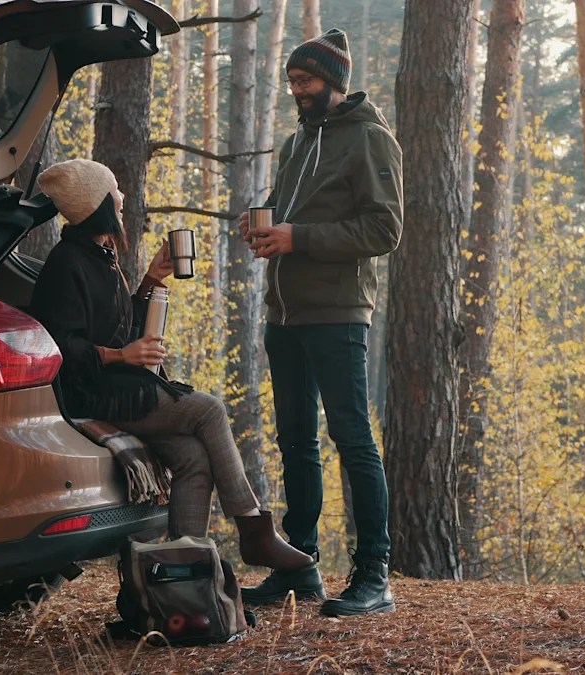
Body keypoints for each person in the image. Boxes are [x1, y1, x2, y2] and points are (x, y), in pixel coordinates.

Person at [28, 158, 312, 573]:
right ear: (97, 203)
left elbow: (117, 327)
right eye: (114, 190)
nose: (123, 196)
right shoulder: (66, 263)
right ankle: (253, 529)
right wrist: (122, 356)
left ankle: (186, 572)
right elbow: (61, 346)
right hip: (93, 395)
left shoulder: (99, 255)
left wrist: (151, 281)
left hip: (116, 385)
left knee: (193, 456)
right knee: (209, 409)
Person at [237, 28, 403, 617]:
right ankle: (299, 567)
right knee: (295, 440)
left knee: (352, 439)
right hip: (283, 314)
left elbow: (385, 229)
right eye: (292, 81)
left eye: (305, 81)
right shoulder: (297, 143)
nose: (297, 91)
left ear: (333, 82)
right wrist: (264, 226)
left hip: (336, 315)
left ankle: (374, 574)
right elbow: (291, 215)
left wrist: (297, 237)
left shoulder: (371, 140)